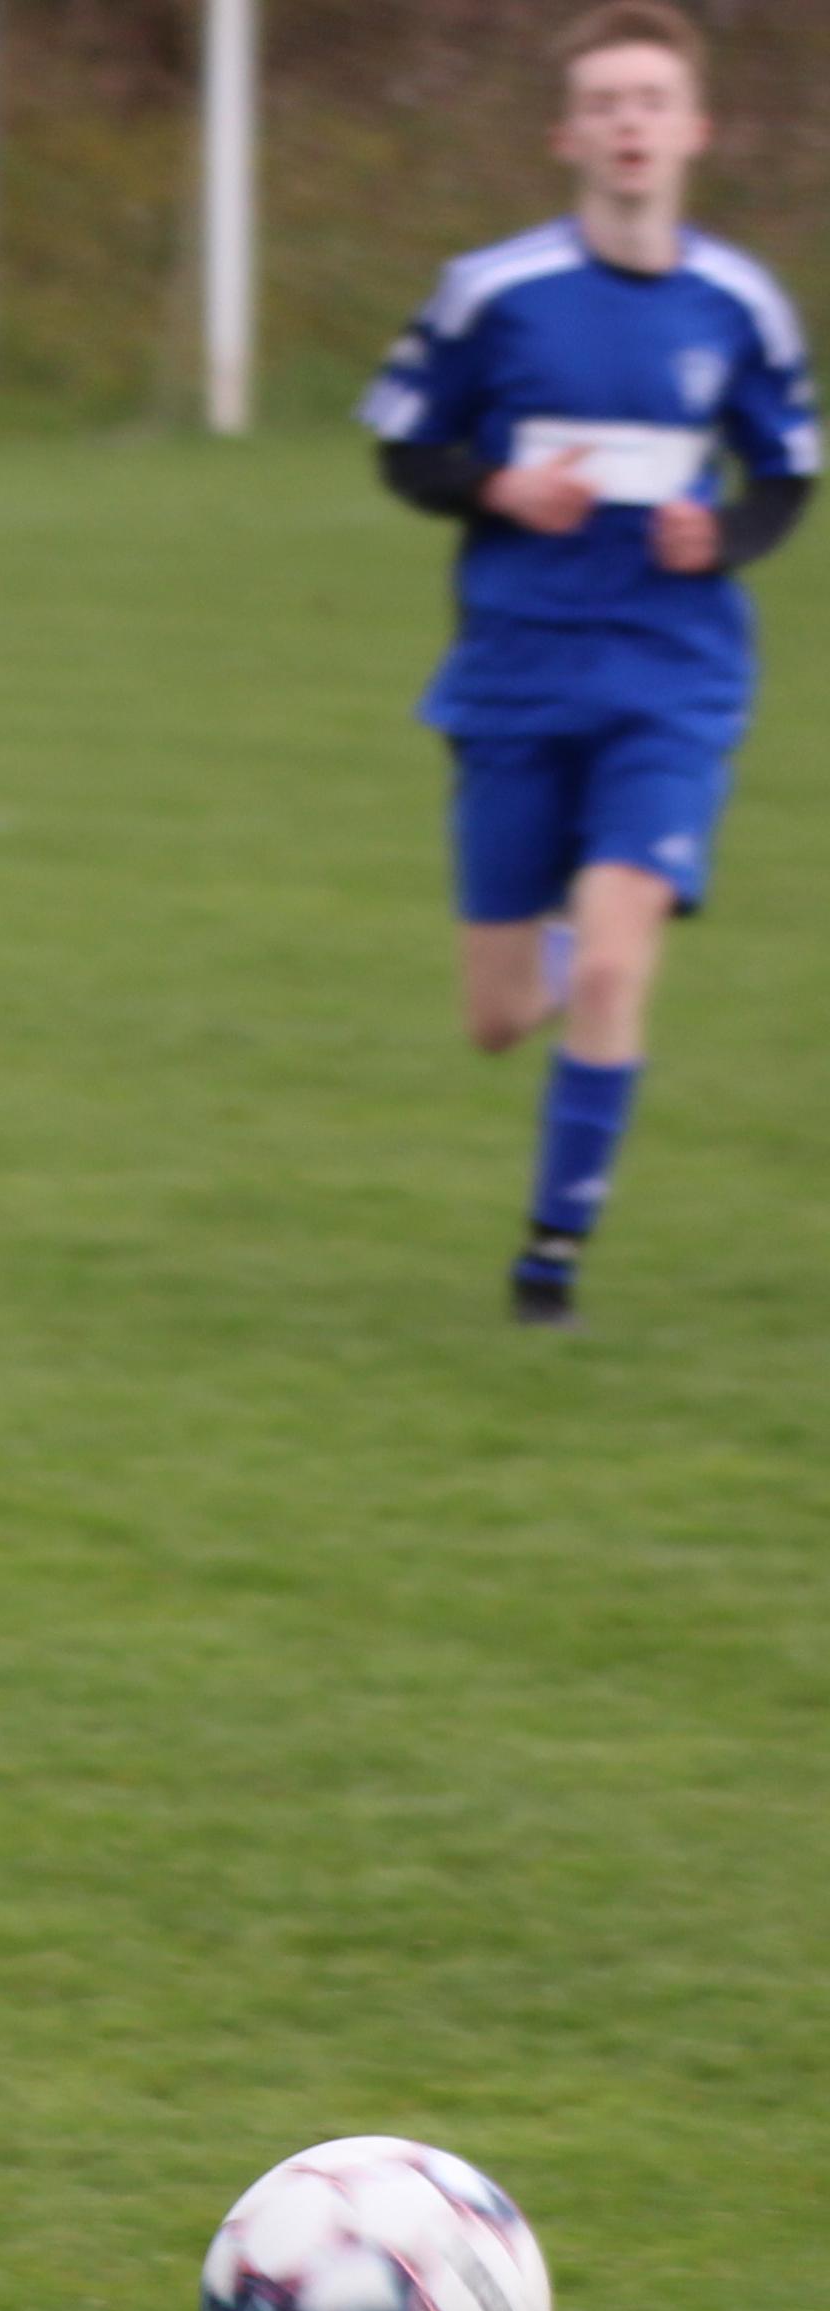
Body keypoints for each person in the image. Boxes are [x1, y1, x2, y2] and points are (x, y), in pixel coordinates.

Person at [364, 0, 812, 1326]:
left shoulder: (740, 304)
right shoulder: (492, 292)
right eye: (606, 102)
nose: (630, 122)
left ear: (694, 130)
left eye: (651, 100)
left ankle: (550, 1257)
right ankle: (550, 949)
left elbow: (788, 472)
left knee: (619, 964)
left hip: (672, 674)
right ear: (570, 134)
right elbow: (405, 449)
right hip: (515, 672)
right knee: (500, 1017)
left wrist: (719, 532)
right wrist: (503, 490)